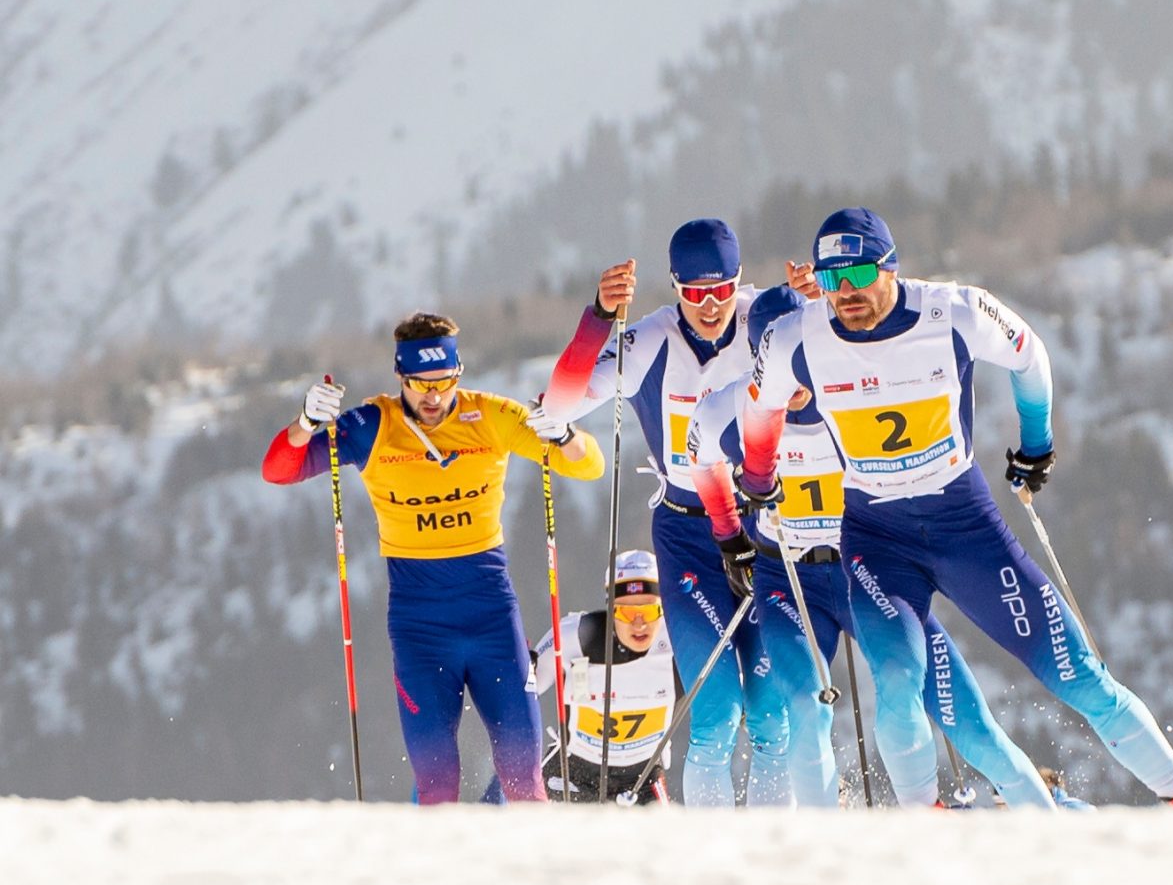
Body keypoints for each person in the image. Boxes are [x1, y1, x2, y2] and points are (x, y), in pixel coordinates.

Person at [727, 208, 1173, 808]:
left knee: (1079, 678)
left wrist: (1037, 444)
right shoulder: (796, 341)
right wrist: (757, 475)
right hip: (876, 539)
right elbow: (760, 412)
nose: (844, 293)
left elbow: (1030, 356)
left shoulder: (953, 311)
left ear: (890, 266)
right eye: (829, 280)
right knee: (899, 684)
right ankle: (927, 825)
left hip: (965, 528)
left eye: (856, 274)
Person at [689, 285, 1057, 809]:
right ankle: (826, 845)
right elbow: (701, 458)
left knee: (968, 722)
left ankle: (1052, 825)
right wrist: (729, 537)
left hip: (869, 573)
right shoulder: (729, 413)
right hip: (789, 584)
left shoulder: (859, 393)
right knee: (807, 706)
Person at [260, 311, 604, 804]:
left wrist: (566, 435)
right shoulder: (372, 425)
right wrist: (304, 424)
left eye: (443, 382)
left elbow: (589, 467)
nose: (432, 396)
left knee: (523, 780)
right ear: (400, 378)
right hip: (420, 629)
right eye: (420, 384)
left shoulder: (491, 417)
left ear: (457, 374)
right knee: (438, 785)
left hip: (491, 620)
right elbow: (278, 470)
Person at [534, 219, 793, 807]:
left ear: (738, 283)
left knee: (773, 715)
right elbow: (559, 402)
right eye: (695, 292)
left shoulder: (766, 322)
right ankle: (706, 858)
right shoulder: (649, 339)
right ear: (675, 286)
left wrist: (806, 307)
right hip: (688, 535)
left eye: (723, 290)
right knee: (716, 712)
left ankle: (778, 854)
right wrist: (599, 315)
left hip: (759, 529)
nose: (710, 305)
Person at [528, 548, 679, 803]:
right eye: (626, 612)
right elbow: (525, 687)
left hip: (642, 780)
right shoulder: (576, 635)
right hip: (572, 774)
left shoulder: (679, 642)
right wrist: (522, 664)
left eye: (650, 611)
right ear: (610, 608)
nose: (639, 623)